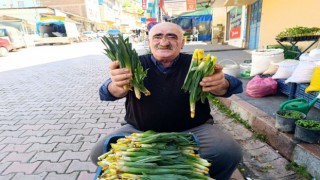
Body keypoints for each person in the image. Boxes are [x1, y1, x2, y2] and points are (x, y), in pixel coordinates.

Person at [90, 22, 243, 180]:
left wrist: (221, 84)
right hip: (138, 131)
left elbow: (234, 85)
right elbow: (105, 92)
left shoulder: (197, 63)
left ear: (182, 43)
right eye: (157, 37)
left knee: (229, 152)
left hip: (194, 129)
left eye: (172, 36)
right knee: (98, 153)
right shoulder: (134, 64)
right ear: (149, 42)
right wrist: (115, 86)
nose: (164, 42)